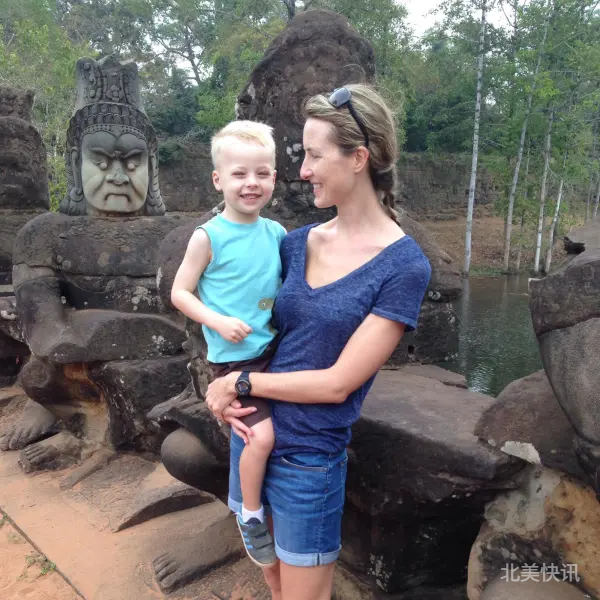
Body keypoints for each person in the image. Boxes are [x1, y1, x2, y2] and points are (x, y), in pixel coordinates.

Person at [205, 84, 432, 600]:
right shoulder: (294, 243)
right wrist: (223, 384)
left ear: (358, 158)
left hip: (308, 462)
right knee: (272, 578)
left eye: (313, 155)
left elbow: (337, 384)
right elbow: (244, 321)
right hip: (251, 436)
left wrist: (240, 383)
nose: (303, 171)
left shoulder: (403, 266)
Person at [170, 120, 286, 568]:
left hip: (275, 352)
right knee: (260, 436)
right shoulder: (208, 236)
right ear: (218, 180)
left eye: (262, 173)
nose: (251, 183)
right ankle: (250, 514)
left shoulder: (276, 233)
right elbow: (180, 292)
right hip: (235, 361)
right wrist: (216, 320)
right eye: (239, 174)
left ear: (274, 178)